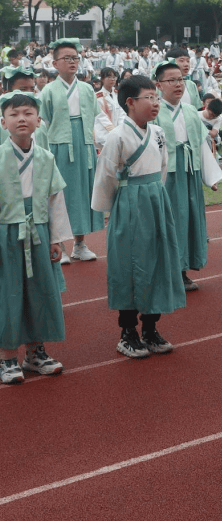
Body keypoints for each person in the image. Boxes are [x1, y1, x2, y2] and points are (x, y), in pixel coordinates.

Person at [91, 76, 184, 358]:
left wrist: (155, 192)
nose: (155, 102)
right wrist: (112, 211)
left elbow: (163, 166)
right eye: (149, 97)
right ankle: (128, 332)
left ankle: (151, 328)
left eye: (157, 97)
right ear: (130, 102)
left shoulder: (158, 132)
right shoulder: (117, 136)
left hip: (156, 200)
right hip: (130, 203)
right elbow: (107, 174)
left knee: (158, 262)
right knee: (130, 266)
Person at [0, 91, 71, 384]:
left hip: (39, 233)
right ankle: (6, 358)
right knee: (8, 293)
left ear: (39, 121)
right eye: (14, 114)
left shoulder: (46, 157)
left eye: (28, 113)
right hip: (5, 233)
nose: (21, 119)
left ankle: (35, 353)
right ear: (3, 122)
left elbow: (56, 200)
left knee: (40, 292)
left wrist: (57, 238)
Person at [153, 60, 222, 292]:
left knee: (188, 220)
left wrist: (210, 176)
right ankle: (166, 271)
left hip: (190, 172)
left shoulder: (191, 112)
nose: (177, 85)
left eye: (180, 80)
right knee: (169, 220)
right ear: (159, 84)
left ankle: (182, 270)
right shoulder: (154, 112)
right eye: (171, 80)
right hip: (167, 175)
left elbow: (201, 144)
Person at [39, 39, 105, 265]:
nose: (72, 62)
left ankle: (80, 243)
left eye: (75, 58)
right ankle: (62, 245)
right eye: (67, 58)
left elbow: (98, 120)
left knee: (83, 194)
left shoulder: (87, 89)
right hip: (59, 147)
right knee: (61, 195)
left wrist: (100, 144)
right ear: (55, 63)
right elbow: (43, 124)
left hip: (84, 146)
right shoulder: (48, 91)